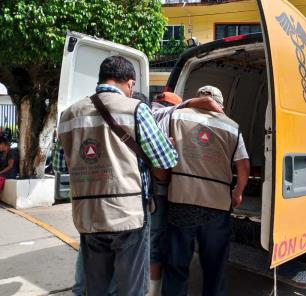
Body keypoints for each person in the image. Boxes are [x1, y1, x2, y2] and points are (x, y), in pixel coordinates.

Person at [53, 55, 178, 296]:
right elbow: (165, 160)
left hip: (88, 216)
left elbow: (60, 165)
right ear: (130, 83)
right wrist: (169, 144)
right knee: (131, 289)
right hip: (128, 215)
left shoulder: (69, 114)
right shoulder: (136, 109)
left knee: (96, 289)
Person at [162, 86, 250, 296]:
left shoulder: (177, 116)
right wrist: (238, 191)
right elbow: (244, 165)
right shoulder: (231, 126)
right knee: (215, 269)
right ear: (220, 104)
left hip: (180, 202)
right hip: (217, 208)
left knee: (176, 267)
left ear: (198, 98)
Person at [148, 90, 224, 296]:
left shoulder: (147, 115)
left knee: (163, 246)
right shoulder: (173, 116)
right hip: (167, 192)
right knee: (161, 245)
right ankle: (154, 290)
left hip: (152, 192)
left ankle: (154, 289)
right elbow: (207, 100)